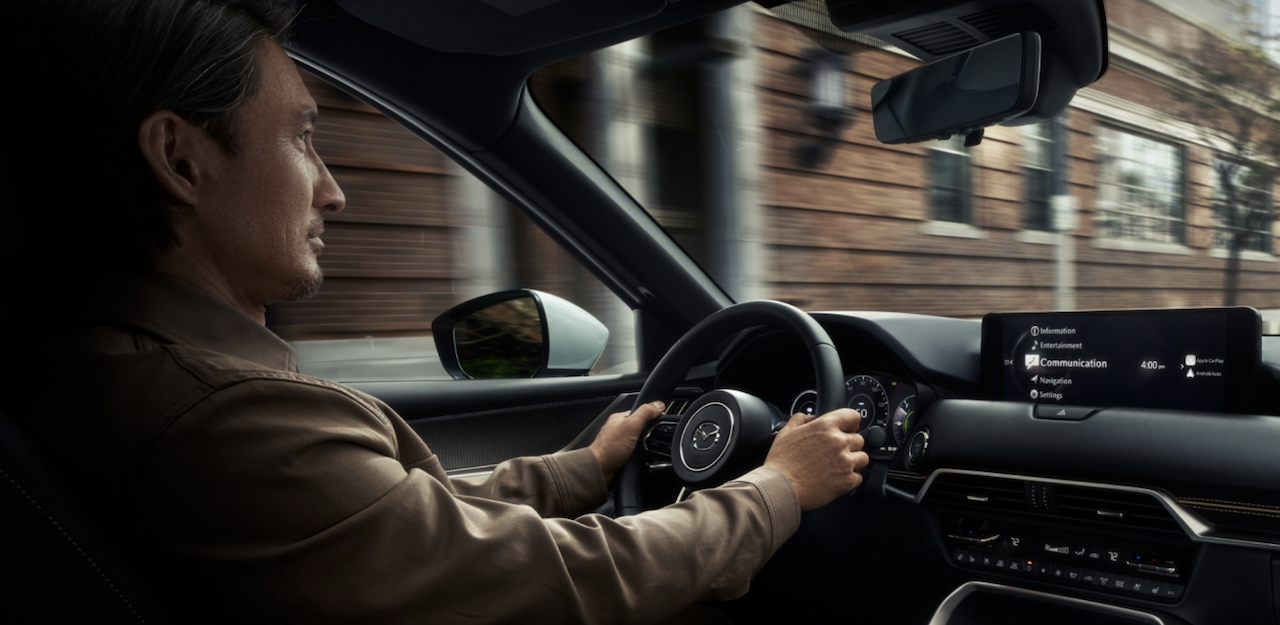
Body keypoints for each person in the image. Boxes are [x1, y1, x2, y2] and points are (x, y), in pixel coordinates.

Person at [0, 0, 868, 623]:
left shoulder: (108, 373)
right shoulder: (222, 417)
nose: (333, 190)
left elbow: (396, 516)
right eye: (301, 137)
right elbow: (553, 578)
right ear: (180, 159)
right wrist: (777, 488)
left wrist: (585, 466)